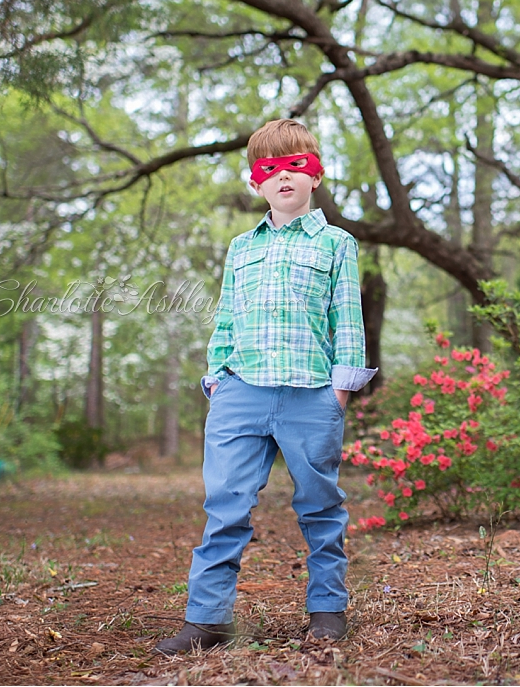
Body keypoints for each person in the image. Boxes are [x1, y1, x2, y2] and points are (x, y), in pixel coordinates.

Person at [154, 118, 376, 655]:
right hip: (241, 390)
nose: (283, 177)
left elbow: (348, 320)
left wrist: (340, 392)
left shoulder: (337, 244)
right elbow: (226, 316)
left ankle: (327, 608)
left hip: (310, 393)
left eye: (295, 166)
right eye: (269, 169)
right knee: (225, 503)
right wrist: (218, 379)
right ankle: (208, 618)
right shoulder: (242, 248)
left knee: (320, 505)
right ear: (257, 181)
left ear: (315, 175)